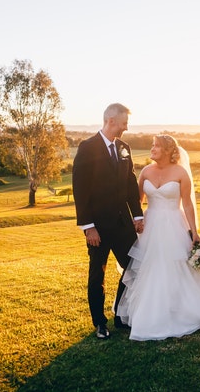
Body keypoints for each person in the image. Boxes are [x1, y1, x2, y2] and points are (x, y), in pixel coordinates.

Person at [116, 134, 200, 341]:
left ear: (167, 151)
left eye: (156, 146)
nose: (152, 149)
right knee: (150, 267)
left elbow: (187, 204)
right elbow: (137, 201)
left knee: (177, 266)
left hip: (174, 224)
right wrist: (136, 220)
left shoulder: (181, 173)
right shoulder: (145, 171)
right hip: (150, 225)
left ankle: (180, 308)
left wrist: (194, 231)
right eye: (152, 145)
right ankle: (150, 310)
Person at [72, 103, 144, 340]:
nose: (126, 127)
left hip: (123, 224)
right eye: (124, 123)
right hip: (98, 228)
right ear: (111, 121)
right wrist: (88, 226)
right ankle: (100, 323)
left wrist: (137, 215)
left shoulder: (124, 148)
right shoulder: (87, 147)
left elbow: (131, 184)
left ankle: (120, 315)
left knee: (134, 268)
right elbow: (80, 189)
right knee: (97, 275)